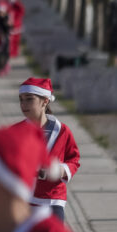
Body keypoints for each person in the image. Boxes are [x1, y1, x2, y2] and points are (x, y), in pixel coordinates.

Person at [18, 78, 80, 221]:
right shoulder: (15, 131)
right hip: (23, 200)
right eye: (21, 99)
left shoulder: (62, 131)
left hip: (52, 200)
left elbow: (74, 159)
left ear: (45, 101)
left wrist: (61, 170)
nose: (23, 104)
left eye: (29, 99)